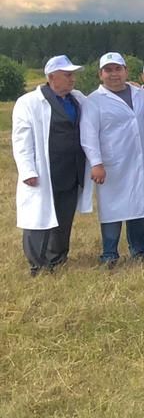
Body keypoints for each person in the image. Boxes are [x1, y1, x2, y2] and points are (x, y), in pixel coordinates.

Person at [12, 55, 92, 276]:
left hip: (72, 169)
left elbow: (102, 104)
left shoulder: (77, 99)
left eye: (72, 74)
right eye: (67, 75)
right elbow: (21, 140)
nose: (72, 79)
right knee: (38, 217)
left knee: (63, 217)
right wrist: (27, 169)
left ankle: (57, 259)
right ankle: (38, 264)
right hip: (44, 170)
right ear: (51, 77)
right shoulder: (29, 103)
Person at [81, 52, 144, 267]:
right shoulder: (94, 100)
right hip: (111, 164)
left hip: (139, 160)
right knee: (111, 208)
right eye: (108, 70)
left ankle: (139, 250)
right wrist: (96, 163)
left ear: (126, 71)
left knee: (139, 205)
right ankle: (109, 254)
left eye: (118, 69)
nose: (114, 74)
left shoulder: (140, 94)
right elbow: (88, 134)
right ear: (100, 74)